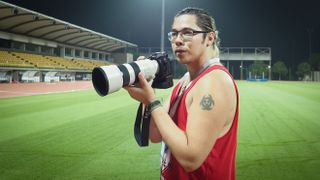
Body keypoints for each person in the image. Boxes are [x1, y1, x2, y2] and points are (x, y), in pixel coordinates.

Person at [124, 7, 239, 180]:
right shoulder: (186, 80)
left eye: (187, 33)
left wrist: (152, 101)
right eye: (174, 34)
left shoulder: (214, 82)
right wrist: (148, 91)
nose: (178, 40)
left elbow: (190, 158)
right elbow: (155, 135)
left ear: (210, 38)